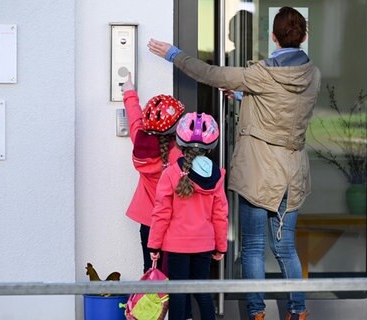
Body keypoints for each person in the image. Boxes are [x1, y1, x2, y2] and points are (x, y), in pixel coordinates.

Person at [148, 7, 319, 320]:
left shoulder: (261, 75)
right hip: (292, 173)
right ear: (305, 37)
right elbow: (284, 107)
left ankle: (256, 312)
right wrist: (245, 97)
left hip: (258, 172)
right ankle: (298, 310)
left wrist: (175, 54)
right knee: (285, 248)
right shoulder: (312, 74)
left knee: (253, 247)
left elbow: (211, 74)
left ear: (273, 38)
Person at [121, 77, 193, 320]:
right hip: (173, 226)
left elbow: (134, 118)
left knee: (151, 273)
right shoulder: (178, 157)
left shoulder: (139, 142)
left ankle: (149, 316)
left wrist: (129, 90)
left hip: (148, 224)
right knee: (177, 278)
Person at [147, 112, 228, 320]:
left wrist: (154, 245)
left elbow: (161, 213)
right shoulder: (218, 176)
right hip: (204, 245)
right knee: (202, 292)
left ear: (180, 143)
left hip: (176, 246)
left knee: (179, 293)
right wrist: (221, 246)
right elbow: (220, 215)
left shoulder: (171, 173)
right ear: (212, 146)